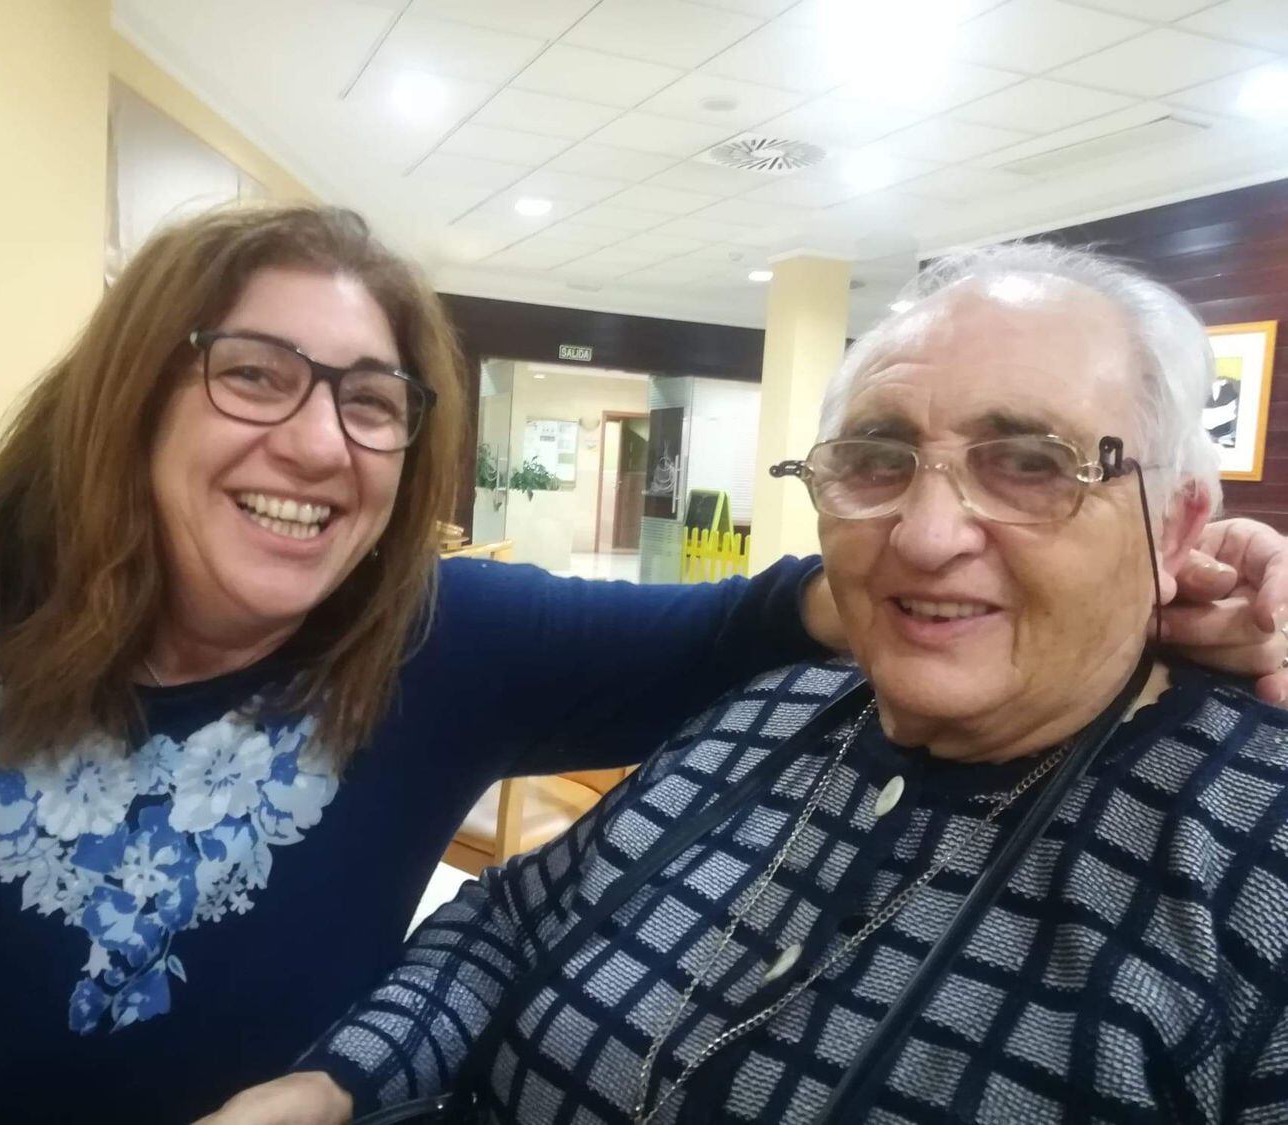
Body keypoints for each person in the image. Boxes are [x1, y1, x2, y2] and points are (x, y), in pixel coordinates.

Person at [214, 243, 1288, 1125]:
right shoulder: (765, 711)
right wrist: (334, 1084)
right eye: (877, 459)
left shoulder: (1252, 867)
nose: (923, 534)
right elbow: (509, 925)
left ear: (1178, 522)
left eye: (1032, 464)